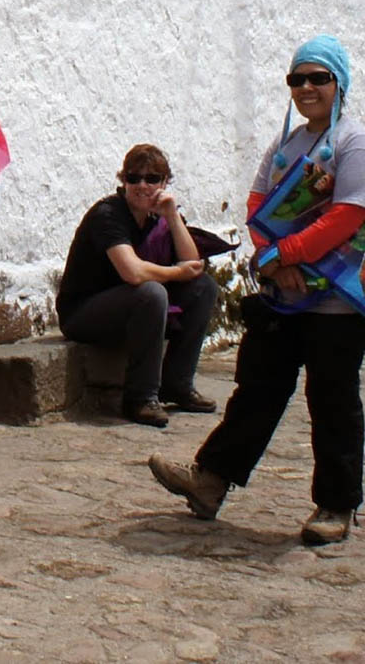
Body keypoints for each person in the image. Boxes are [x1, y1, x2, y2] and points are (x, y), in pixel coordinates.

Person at [150, 34, 365, 545]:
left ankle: (336, 505)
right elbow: (257, 202)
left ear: (340, 83)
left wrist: (287, 255)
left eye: (319, 78)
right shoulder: (286, 143)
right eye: (298, 78)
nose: (307, 87)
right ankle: (210, 481)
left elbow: (350, 213)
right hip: (283, 294)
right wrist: (271, 259)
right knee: (257, 389)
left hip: (336, 297)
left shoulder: (353, 142)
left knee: (332, 399)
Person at [56, 144, 219, 427]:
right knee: (151, 292)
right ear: (124, 181)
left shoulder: (158, 214)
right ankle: (140, 397)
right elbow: (131, 272)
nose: (142, 185)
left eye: (152, 179)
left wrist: (171, 215)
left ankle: (177, 384)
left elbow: (192, 265)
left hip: (130, 307)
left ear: (165, 183)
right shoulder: (108, 214)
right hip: (84, 312)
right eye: (134, 178)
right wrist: (174, 273)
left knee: (204, 287)